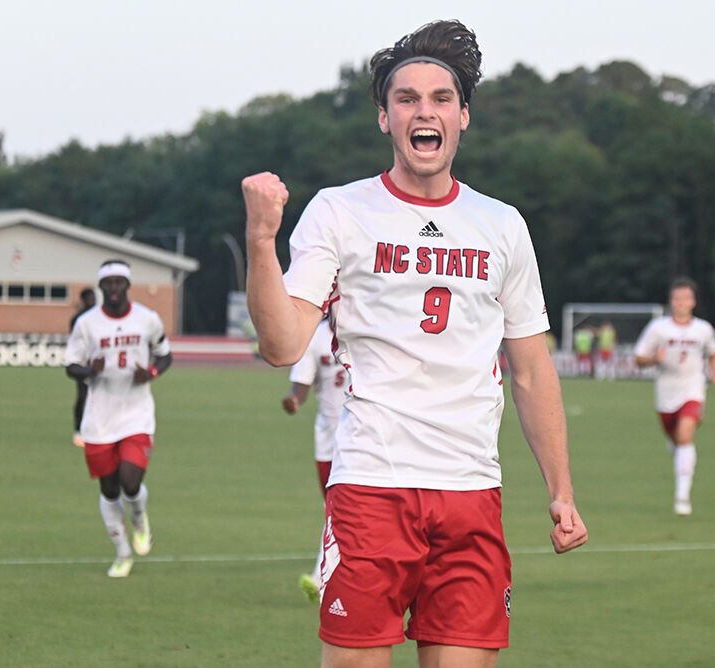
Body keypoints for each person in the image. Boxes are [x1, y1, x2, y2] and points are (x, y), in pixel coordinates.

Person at [240, 19, 587, 667]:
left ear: (462, 117)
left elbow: (533, 372)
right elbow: (283, 345)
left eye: (439, 99)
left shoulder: (502, 225)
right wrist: (261, 241)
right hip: (373, 488)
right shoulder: (340, 212)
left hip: (471, 496)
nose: (422, 111)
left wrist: (560, 491)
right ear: (384, 118)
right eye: (406, 99)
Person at [64, 260, 172, 577]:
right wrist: (89, 371)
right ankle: (122, 553)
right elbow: (70, 365)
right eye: (107, 283)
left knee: (130, 480)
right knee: (109, 490)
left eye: (118, 282)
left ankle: (139, 518)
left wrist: (150, 372)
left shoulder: (147, 319)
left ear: (127, 285)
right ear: (101, 287)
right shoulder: (86, 324)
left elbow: (165, 355)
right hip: (99, 419)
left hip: (137, 414)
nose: (113, 288)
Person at [634, 277, 715, 516]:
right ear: (671, 301)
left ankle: (682, 497)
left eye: (686, 298)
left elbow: (714, 352)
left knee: (685, 436)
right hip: (665, 392)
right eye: (677, 298)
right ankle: (681, 458)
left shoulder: (703, 329)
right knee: (676, 441)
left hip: (693, 390)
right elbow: (639, 358)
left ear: (693, 302)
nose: (681, 303)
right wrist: (654, 359)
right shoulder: (658, 328)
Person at [281, 317, 347, 603]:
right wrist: (294, 400)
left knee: (339, 508)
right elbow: (301, 386)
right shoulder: (316, 336)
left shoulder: (368, 323)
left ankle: (323, 578)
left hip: (366, 438)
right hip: (328, 441)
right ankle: (329, 576)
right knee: (334, 509)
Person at [69, 287, 97, 448]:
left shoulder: (100, 316)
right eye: (90, 298)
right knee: (82, 395)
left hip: (98, 362)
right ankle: (78, 430)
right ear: (84, 300)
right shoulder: (78, 319)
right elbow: (74, 342)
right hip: (83, 362)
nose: (93, 301)